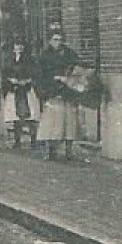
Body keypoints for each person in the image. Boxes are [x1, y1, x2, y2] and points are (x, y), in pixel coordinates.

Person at [34, 26, 82, 161]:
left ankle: (69, 150)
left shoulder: (70, 54)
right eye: (55, 40)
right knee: (52, 123)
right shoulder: (44, 56)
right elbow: (39, 75)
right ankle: (51, 150)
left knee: (69, 122)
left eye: (60, 40)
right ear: (50, 41)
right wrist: (50, 82)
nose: (58, 43)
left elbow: (77, 69)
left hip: (68, 92)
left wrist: (70, 79)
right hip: (52, 92)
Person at [0, 39, 38, 149]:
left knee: (31, 116)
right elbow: (5, 74)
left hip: (26, 91)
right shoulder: (9, 61)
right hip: (14, 90)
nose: (18, 48)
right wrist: (11, 81)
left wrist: (27, 81)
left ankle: (33, 141)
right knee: (15, 117)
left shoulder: (30, 60)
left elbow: (35, 73)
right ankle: (17, 141)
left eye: (21, 46)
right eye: (16, 46)